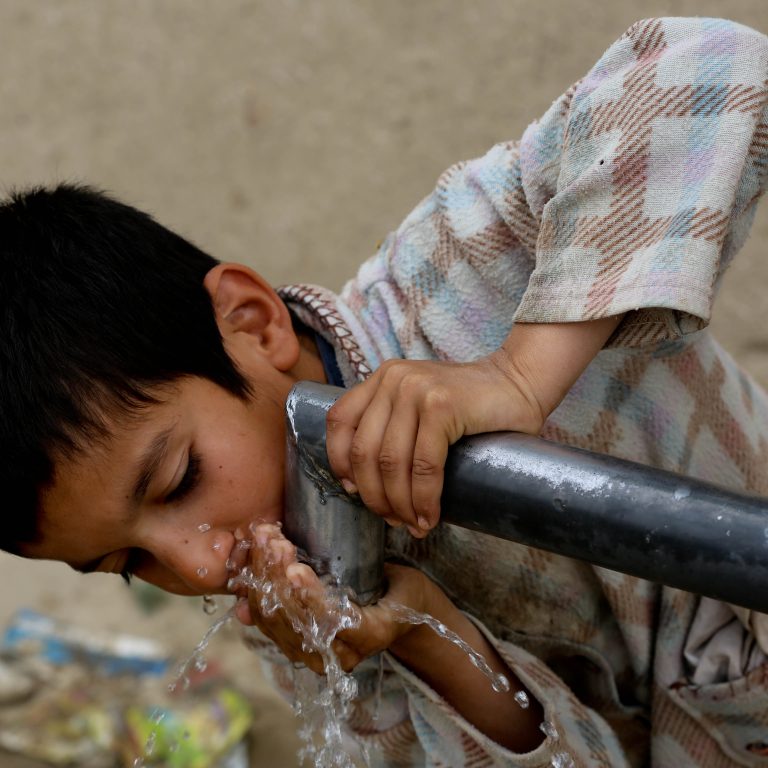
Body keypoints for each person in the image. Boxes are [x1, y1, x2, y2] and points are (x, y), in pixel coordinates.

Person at [2, 15, 768, 766]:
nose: (197, 568)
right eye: (129, 564)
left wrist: (520, 373)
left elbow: (711, 64)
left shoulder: (457, 279)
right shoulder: (301, 615)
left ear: (254, 320)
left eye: (179, 479)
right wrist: (424, 637)